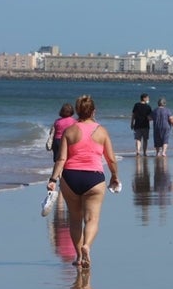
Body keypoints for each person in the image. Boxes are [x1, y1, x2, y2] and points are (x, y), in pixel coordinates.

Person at [47, 95, 119, 269]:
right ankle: (87, 246)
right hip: (94, 178)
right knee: (92, 219)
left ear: (77, 111)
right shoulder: (101, 131)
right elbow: (110, 159)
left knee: (75, 219)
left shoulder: (69, 131)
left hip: (70, 177)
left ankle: (79, 256)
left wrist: (53, 179)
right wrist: (114, 176)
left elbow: (61, 159)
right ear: (94, 111)